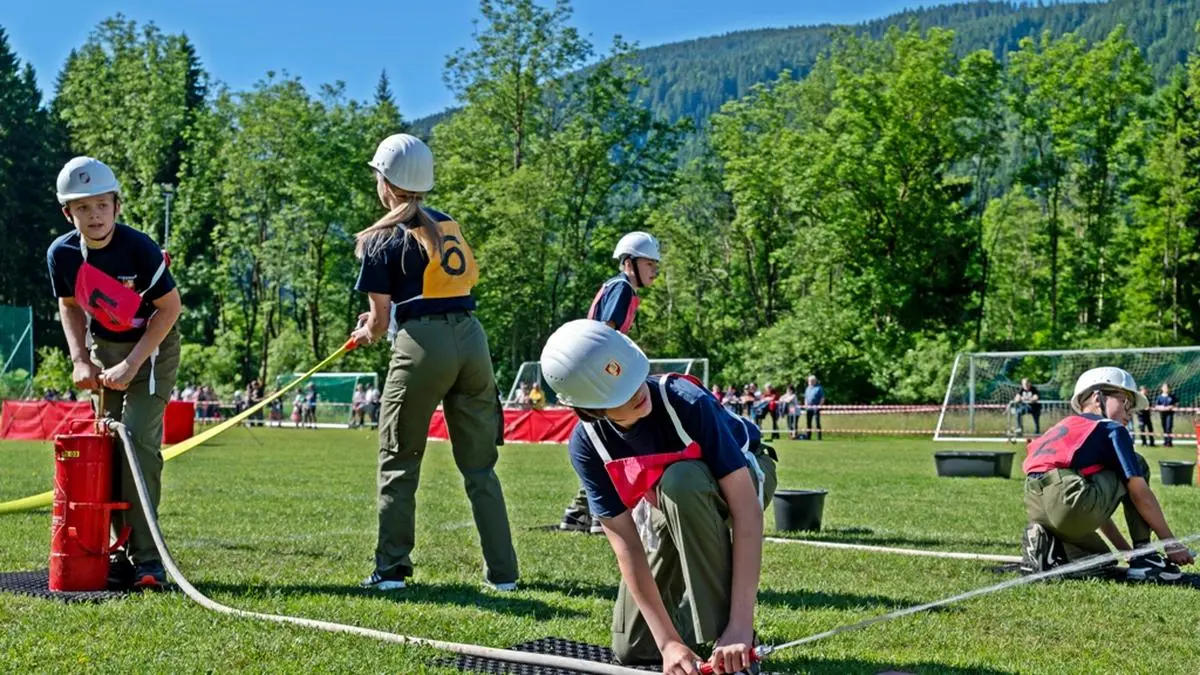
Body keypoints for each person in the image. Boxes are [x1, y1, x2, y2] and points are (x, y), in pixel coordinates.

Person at [541, 320, 776, 674]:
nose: (638, 391)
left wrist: (739, 625)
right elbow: (628, 547)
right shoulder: (588, 445)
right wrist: (667, 643)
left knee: (682, 481)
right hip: (664, 501)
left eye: (636, 376)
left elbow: (747, 512)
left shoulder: (686, 401)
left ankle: (728, 646)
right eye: (620, 392)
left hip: (747, 475)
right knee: (634, 646)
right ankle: (686, 633)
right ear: (590, 410)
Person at [348, 133, 518, 592]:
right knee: (481, 468)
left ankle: (391, 571)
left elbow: (380, 324)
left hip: (423, 346)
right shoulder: (449, 224)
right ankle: (504, 575)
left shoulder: (380, 238)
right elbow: (434, 289)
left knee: (398, 460)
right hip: (472, 339)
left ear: (385, 181)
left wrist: (366, 330)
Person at [46, 156, 181, 589]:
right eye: (83, 208)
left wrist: (132, 363)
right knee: (104, 448)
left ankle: (148, 560)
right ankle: (115, 550)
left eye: (102, 205)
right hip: (105, 352)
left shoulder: (138, 248)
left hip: (152, 351)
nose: (95, 216)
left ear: (117, 206)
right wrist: (80, 359)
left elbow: (170, 310)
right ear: (69, 214)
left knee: (137, 441)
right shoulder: (61, 254)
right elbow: (69, 306)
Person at [1021, 367, 1194, 581]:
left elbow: (1089, 505)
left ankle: (1046, 546)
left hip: (1037, 505)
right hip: (1069, 500)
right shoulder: (1110, 428)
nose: (1129, 413)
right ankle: (1146, 555)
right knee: (1137, 464)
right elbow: (1140, 494)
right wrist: (1170, 543)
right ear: (1097, 397)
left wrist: (1127, 553)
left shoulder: (1065, 427)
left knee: (1102, 563)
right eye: (1126, 403)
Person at [561, 231, 662, 535]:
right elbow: (607, 334)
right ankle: (589, 512)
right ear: (630, 262)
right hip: (605, 378)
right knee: (608, 440)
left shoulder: (620, 288)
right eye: (650, 263)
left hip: (602, 376)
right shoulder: (622, 289)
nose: (655, 270)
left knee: (604, 439)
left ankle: (582, 512)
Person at [1156, 383, 1178, 447]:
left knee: (1169, 427)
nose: (1166, 389)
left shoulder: (1172, 396)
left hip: (1169, 414)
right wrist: (1161, 407)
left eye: (1167, 388)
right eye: (1164, 387)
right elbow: (1156, 406)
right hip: (1162, 414)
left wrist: (1171, 407)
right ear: (1162, 388)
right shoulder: (1159, 397)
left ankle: (1169, 442)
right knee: (1164, 428)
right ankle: (1165, 441)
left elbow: (1176, 404)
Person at [803, 375, 825, 440]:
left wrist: (819, 406)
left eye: (812, 381)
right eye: (809, 381)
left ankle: (819, 437)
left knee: (817, 423)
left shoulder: (819, 388)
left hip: (816, 408)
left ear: (815, 381)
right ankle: (808, 437)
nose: (810, 382)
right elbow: (806, 398)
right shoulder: (807, 388)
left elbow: (822, 398)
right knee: (808, 423)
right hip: (809, 408)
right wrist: (806, 405)